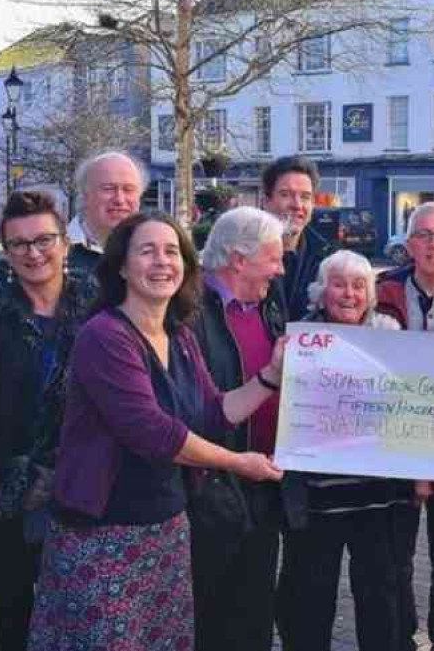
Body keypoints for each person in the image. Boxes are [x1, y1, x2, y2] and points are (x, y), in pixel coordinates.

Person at [26, 210, 284, 650]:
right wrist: (239, 463)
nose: (162, 261)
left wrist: (270, 377)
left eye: (171, 251)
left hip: (165, 528)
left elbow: (213, 410)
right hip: (103, 534)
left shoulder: (179, 335)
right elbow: (153, 432)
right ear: (122, 267)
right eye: (147, 251)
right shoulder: (105, 336)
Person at [0, 191, 96, 651]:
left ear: (65, 244)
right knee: (12, 623)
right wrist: (14, 474)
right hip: (11, 498)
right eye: (19, 244)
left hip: (88, 493)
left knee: (83, 621)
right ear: (6, 251)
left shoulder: (100, 312)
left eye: (44, 240)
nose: (33, 253)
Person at [276, 250, 408, 651]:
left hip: (378, 497)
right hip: (318, 498)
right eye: (338, 284)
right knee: (310, 598)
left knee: (380, 597)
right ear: (321, 291)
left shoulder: (391, 333)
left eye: (358, 285)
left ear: (371, 292)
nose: (348, 294)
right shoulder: (299, 338)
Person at [188, 207, 287, 651]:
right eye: (274, 257)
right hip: (209, 493)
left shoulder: (267, 307)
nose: (281, 268)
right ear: (239, 259)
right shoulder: (188, 313)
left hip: (262, 489)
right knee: (211, 617)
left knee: (254, 616)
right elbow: (195, 410)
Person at [376, 201, 434, 651]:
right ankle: (401, 640)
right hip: (392, 447)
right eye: (425, 235)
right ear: (409, 244)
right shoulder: (378, 292)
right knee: (394, 561)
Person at [261, 155, 337, 321]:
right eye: (286, 194)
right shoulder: (244, 256)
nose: (297, 205)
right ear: (266, 201)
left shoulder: (328, 259)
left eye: (305, 197)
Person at [66, 150, 146, 273]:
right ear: (85, 196)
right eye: (108, 189)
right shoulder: (57, 253)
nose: (119, 199)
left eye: (128, 190)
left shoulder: (153, 253)